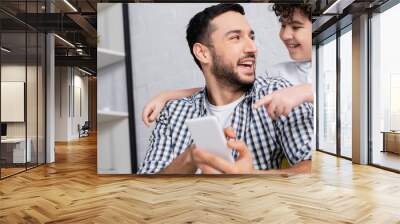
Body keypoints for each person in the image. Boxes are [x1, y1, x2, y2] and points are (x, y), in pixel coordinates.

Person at [138, 3, 313, 174]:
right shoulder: (173, 112)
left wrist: (251, 175)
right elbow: (147, 187)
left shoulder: (276, 94)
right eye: (235, 38)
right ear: (203, 53)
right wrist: (190, 157)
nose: (253, 48)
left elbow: (313, 167)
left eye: (251, 37)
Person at [142, 2, 313, 124]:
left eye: (296, 27)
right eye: (283, 26)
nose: (284, 35)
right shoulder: (279, 73)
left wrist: (304, 92)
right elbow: (234, 89)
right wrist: (168, 96)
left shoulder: (334, 60)